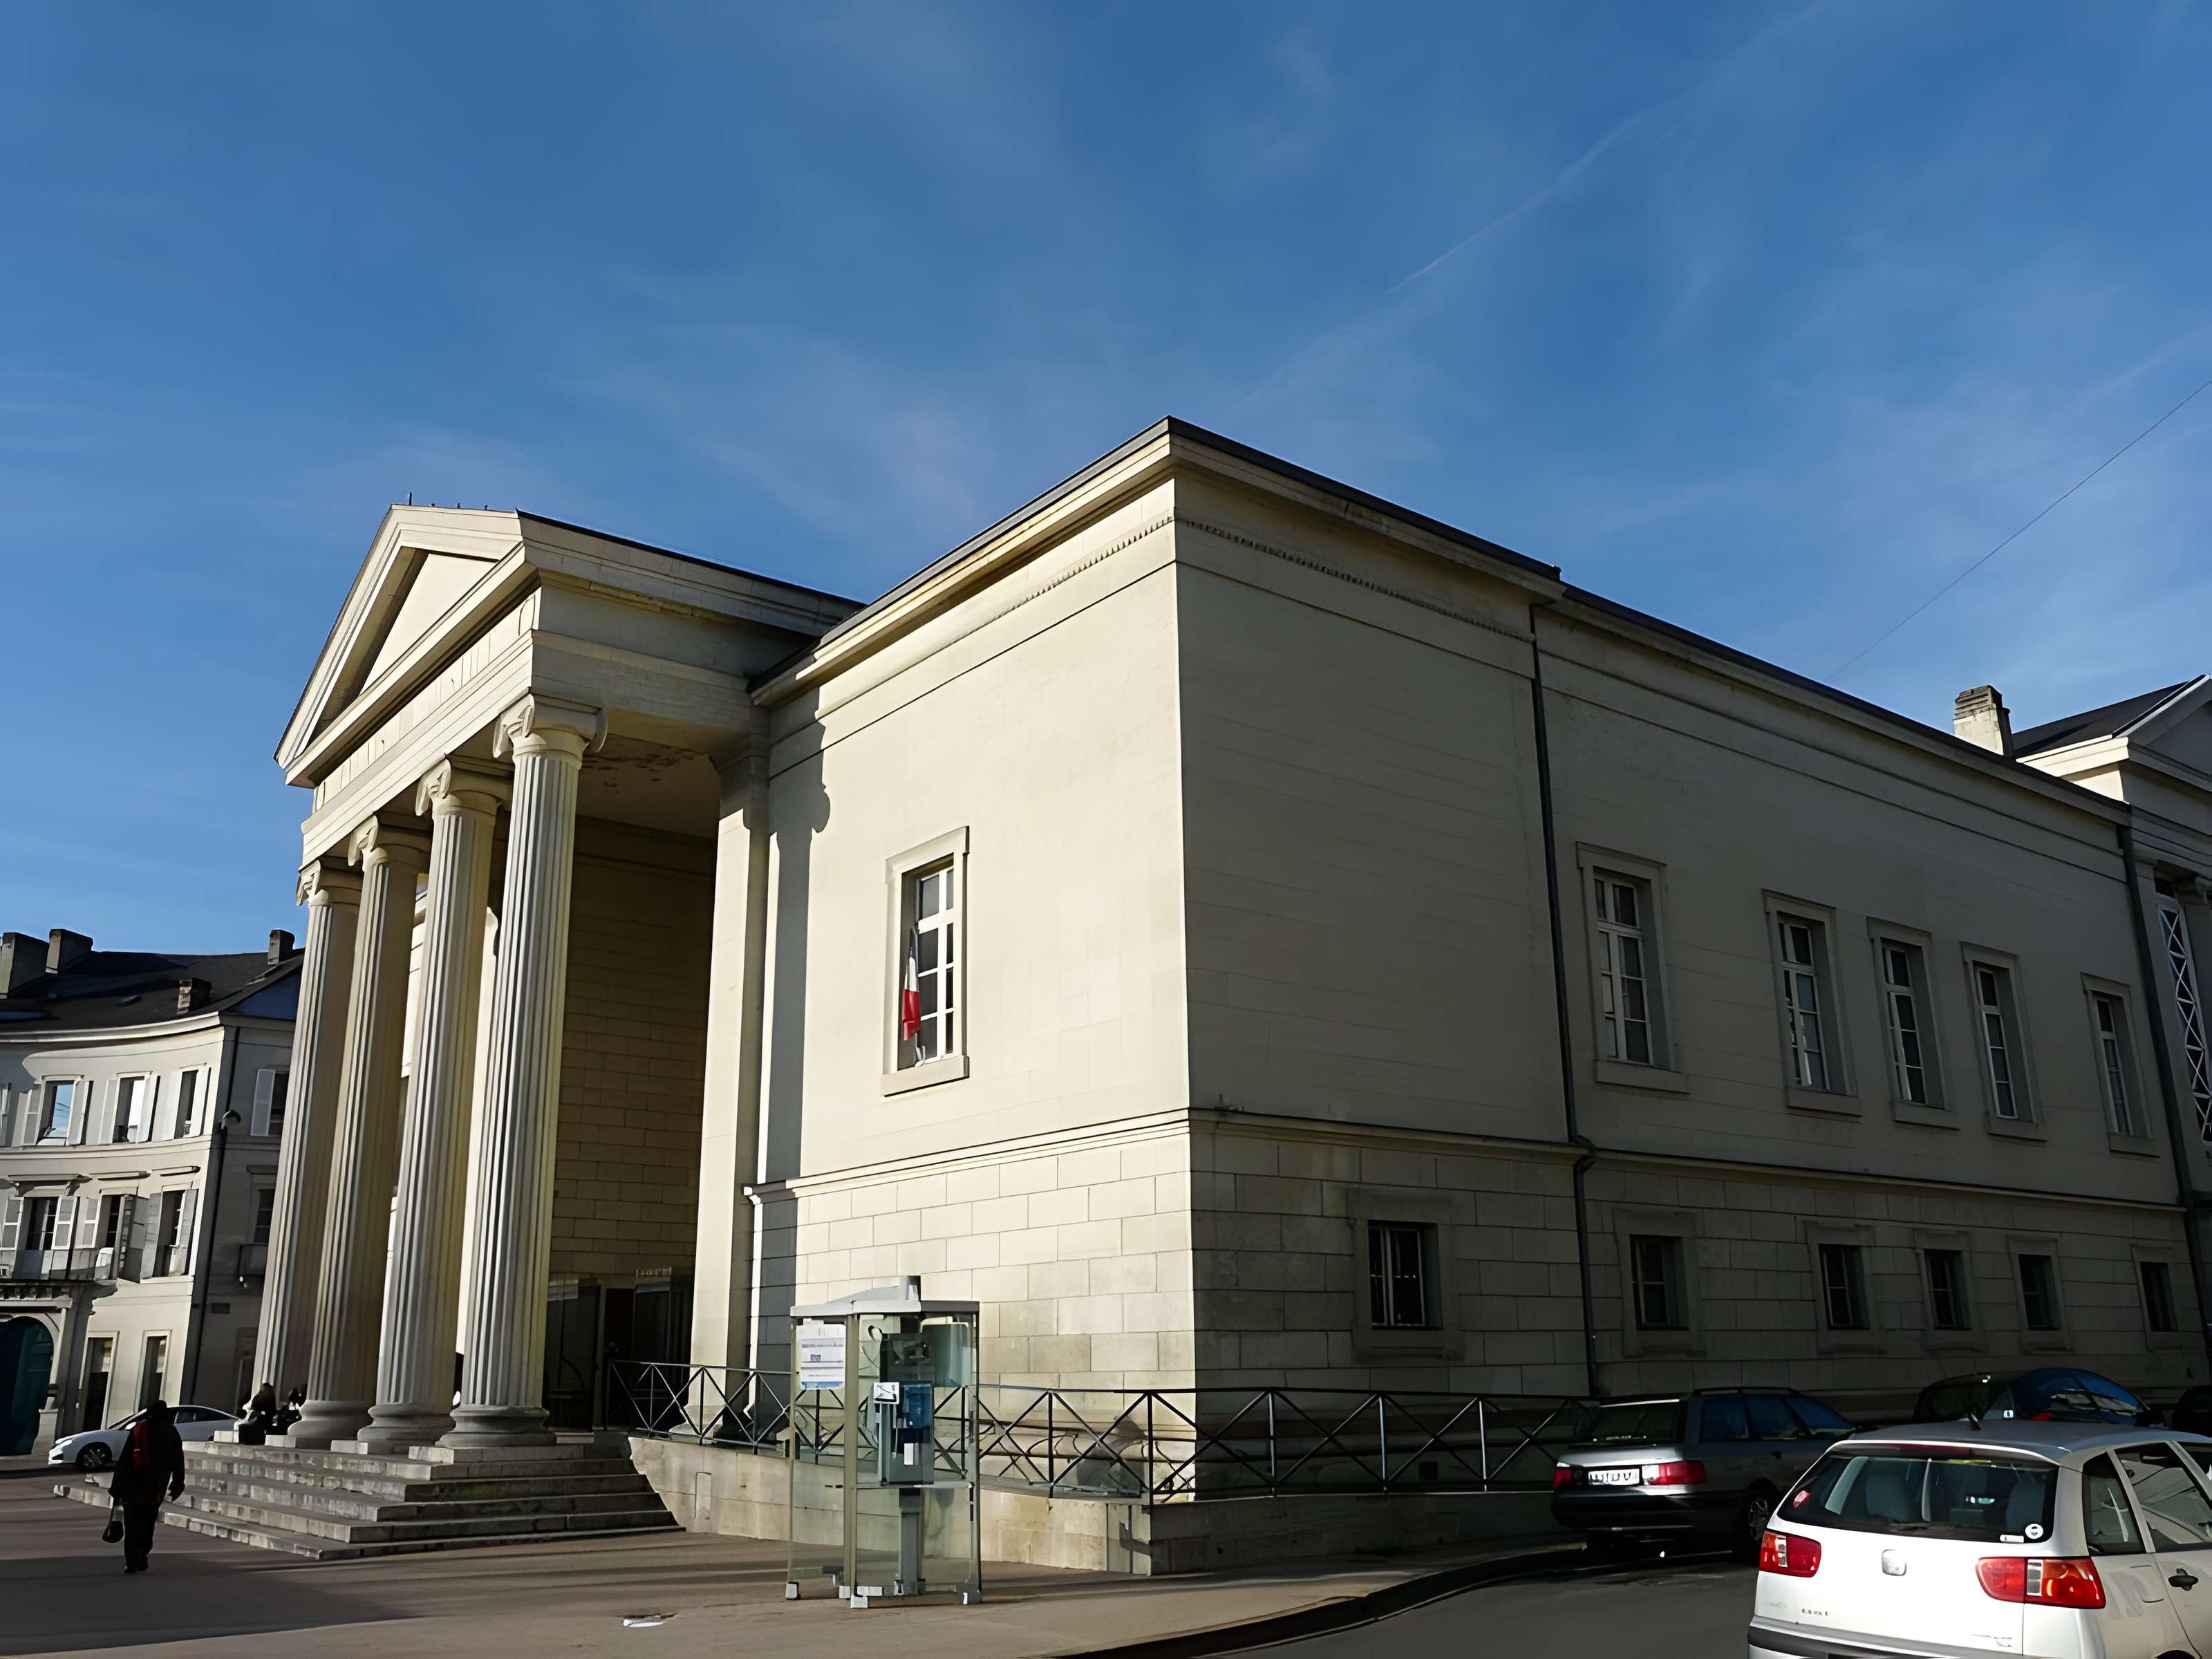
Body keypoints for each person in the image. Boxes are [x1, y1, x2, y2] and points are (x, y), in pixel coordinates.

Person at [109, 1399, 185, 1573]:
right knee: (148, 1523)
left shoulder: (138, 1430)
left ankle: (130, 1562)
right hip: (155, 1487)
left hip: (132, 1486)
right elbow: (178, 1460)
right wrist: (178, 1482)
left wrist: (116, 1487)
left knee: (131, 1525)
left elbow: (124, 1460)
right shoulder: (171, 1432)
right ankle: (142, 1552)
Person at [238, 1382, 277, 1446]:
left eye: (262, 1387)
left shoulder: (263, 1398)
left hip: (261, 1419)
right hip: (263, 1419)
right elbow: (273, 1411)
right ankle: (245, 1441)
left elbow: (255, 1408)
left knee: (244, 1427)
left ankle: (244, 1442)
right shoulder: (269, 1398)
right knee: (244, 1426)